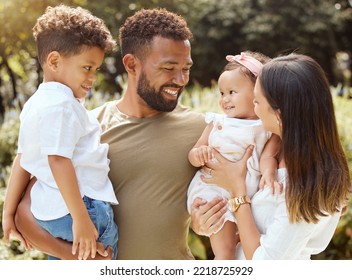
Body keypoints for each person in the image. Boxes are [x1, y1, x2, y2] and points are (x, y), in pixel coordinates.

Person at [13, 8, 206, 260]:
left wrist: (207, 220)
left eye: (186, 68)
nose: (180, 79)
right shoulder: (87, 128)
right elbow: (24, 216)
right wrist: (84, 262)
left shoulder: (202, 129)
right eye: (169, 68)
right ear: (130, 64)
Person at [191, 53, 352, 259]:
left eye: (256, 101)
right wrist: (206, 221)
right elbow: (252, 225)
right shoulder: (272, 149)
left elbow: (265, 264)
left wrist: (236, 190)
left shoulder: (304, 183)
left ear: (281, 113)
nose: (251, 111)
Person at [2, 5, 119, 260]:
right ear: (54, 61)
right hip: (83, 208)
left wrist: (7, 214)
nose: (92, 78)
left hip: (52, 212)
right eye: (87, 68)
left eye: (96, 70)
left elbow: (23, 158)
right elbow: (58, 159)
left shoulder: (35, 104)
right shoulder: (62, 105)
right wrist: (81, 220)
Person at [187, 51, 281, 259]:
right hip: (214, 191)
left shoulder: (267, 127)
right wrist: (199, 154)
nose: (225, 100)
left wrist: (269, 173)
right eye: (221, 93)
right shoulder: (218, 122)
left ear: (258, 92)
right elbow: (194, 153)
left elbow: (268, 157)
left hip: (246, 194)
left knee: (246, 244)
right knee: (225, 250)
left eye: (232, 92)